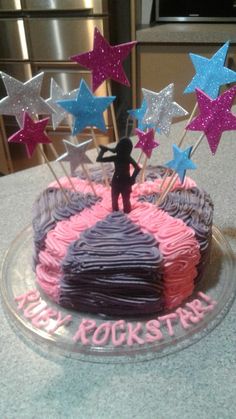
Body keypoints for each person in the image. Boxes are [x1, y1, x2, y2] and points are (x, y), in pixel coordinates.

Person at [97, 137, 140, 213]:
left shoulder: (120, 157)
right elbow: (137, 168)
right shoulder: (126, 157)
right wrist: (132, 178)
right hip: (122, 181)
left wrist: (103, 151)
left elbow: (99, 159)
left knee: (122, 200)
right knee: (118, 199)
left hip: (120, 181)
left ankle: (121, 213)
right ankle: (117, 214)